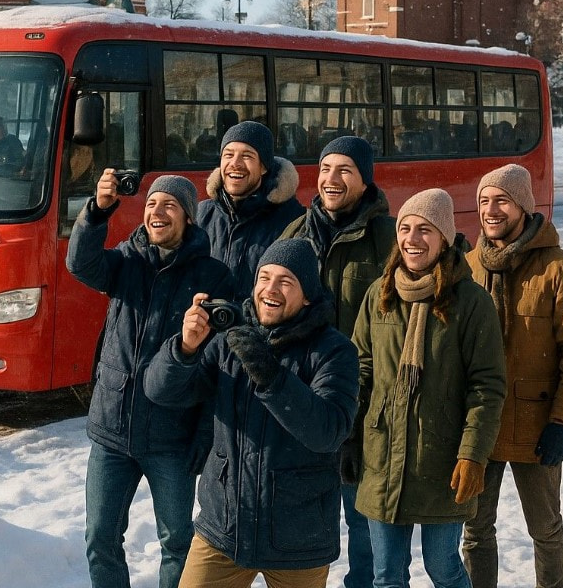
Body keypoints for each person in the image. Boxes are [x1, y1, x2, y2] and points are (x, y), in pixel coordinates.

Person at [145, 237, 359, 588]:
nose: (270, 289)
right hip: (224, 528)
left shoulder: (335, 351)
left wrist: (271, 375)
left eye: (285, 281)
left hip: (299, 539)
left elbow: (329, 432)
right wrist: (184, 349)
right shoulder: (231, 339)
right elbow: (161, 391)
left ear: (307, 295)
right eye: (264, 277)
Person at [66, 170, 233, 588]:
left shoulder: (214, 277)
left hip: (171, 436)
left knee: (176, 541)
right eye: (152, 204)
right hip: (112, 428)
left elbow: (219, 368)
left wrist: (205, 434)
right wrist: (96, 212)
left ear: (189, 218)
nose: (157, 211)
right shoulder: (127, 260)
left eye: (170, 205)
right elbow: (81, 263)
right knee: (100, 537)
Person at [352, 189, 506, 588]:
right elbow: (361, 366)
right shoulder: (380, 294)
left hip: (443, 457)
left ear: (445, 239)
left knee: (444, 569)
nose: (412, 238)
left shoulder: (471, 302)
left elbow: (486, 387)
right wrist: (349, 433)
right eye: (405, 228)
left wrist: (473, 455)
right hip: (383, 456)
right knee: (386, 575)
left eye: (425, 229)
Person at [463, 164, 563, 588]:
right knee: (475, 531)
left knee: (545, 531)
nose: (490, 210)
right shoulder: (468, 267)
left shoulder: (560, 269)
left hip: (538, 426)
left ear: (523, 206)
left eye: (502, 200)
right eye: (484, 200)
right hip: (480, 425)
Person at [281, 135, 395, 588]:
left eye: (345, 169)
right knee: (301, 524)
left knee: (363, 527)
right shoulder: (295, 233)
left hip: (363, 406)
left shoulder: (387, 237)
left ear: (365, 180)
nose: (331, 178)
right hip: (301, 401)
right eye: (326, 168)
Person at [197, 120, 303, 298]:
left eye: (247, 156)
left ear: (263, 167)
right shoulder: (202, 214)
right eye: (228, 155)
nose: (235, 163)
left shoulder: (293, 220)